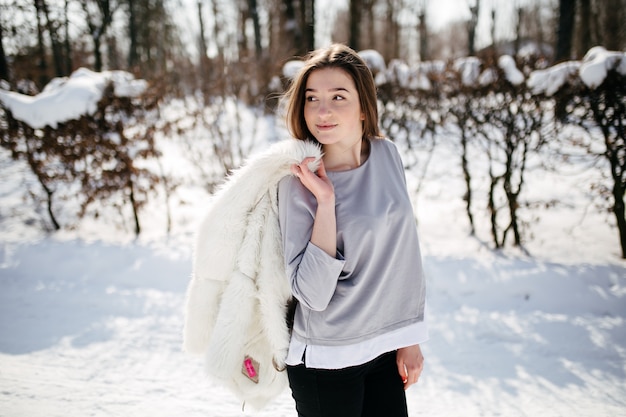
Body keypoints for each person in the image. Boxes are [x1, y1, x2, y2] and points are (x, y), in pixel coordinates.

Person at [277, 43, 428, 417]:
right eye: (312, 98)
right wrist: (325, 203)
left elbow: (403, 256)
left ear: (364, 107)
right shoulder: (295, 181)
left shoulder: (387, 154)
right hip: (328, 356)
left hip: (383, 347)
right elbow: (311, 294)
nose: (322, 111)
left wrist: (408, 337)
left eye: (338, 97)